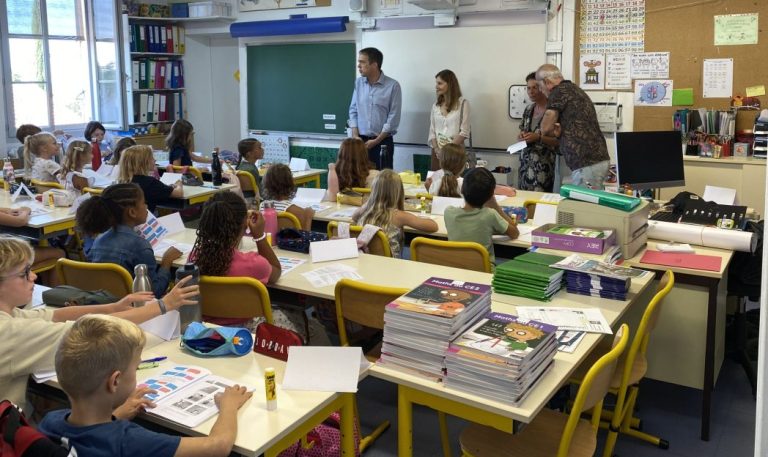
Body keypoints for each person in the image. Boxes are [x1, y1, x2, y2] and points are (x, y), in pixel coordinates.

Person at [0, 234, 199, 410]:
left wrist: (111, 307)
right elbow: (91, 328)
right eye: (24, 273)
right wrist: (163, 305)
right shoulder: (9, 332)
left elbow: (56, 315)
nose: (34, 276)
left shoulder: (10, 315)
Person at [39, 314, 252, 457]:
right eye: (135, 369)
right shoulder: (129, 440)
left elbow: (93, 437)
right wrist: (229, 406)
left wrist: (119, 412)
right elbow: (219, 447)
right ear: (115, 381)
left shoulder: (50, 422)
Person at [77, 183, 181, 297]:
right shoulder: (140, 246)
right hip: (133, 308)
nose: (146, 206)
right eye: (143, 203)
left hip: (104, 304)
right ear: (132, 212)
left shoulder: (98, 239)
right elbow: (153, 293)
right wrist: (166, 262)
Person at [536, 64, 610, 190]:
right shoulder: (574, 89)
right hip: (596, 161)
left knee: (584, 207)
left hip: (587, 164)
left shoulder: (558, 91)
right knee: (591, 204)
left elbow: (545, 128)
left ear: (547, 82)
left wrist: (541, 131)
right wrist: (558, 134)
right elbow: (573, 128)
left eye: (540, 87)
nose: (541, 91)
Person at [352, 169, 438, 258]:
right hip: (391, 266)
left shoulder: (365, 209)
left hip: (366, 263)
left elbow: (354, 217)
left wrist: (370, 202)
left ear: (374, 190)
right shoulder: (399, 216)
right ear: (399, 192)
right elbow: (434, 226)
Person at [444, 167, 519, 266]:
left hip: (457, 269)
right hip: (486, 272)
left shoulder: (449, 213)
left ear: (462, 189)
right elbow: (515, 233)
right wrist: (495, 205)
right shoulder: (490, 215)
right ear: (491, 195)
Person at [348, 47, 401, 170]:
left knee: (382, 182)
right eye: (358, 62)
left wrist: (377, 141)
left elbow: (393, 117)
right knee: (359, 179)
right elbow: (353, 110)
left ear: (374, 65)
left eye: (362, 62)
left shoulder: (393, 86)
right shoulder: (358, 83)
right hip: (360, 141)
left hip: (383, 143)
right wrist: (356, 136)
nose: (358, 66)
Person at [517, 71, 559, 192]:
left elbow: (559, 141)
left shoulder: (553, 110)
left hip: (543, 167)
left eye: (535, 87)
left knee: (540, 204)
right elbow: (522, 131)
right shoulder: (528, 109)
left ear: (542, 87)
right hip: (525, 165)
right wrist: (521, 136)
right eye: (528, 88)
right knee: (523, 202)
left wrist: (539, 138)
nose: (531, 91)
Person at [0, 208, 64, 285]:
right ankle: (53, 295)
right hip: (4, 259)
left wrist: (6, 211)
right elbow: (20, 221)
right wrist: (26, 210)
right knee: (58, 254)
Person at [118, 145, 182, 213]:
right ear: (143, 162)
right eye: (151, 157)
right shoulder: (150, 183)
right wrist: (178, 183)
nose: (155, 160)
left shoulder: (122, 182)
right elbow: (179, 193)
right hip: (146, 220)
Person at [428, 69, 470, 171]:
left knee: (455, 183)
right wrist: (438, 150)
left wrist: (446, 151)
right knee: (437, 184)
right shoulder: (435, 106)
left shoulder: (463, 104)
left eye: (440, 83)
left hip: (455, 153)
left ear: (450, 84)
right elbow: (432, 132)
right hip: (437, 154)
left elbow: (464, 132)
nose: (436, 87)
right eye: (436, 83)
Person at [260, 163, 314, 230]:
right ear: (290, 182)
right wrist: (308, 218)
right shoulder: (297, 211)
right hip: (291, 240)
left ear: (266, 184)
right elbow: (305, 236)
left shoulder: (262, 206)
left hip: (268, 240)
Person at [325, 137, 379, 202]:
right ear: (364, 154)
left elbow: (332, 197)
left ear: (341, 154)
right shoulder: (376, 176)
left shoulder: (335, 173)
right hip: (367, 210)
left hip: (340, 210)